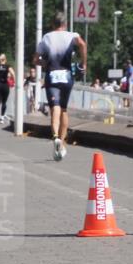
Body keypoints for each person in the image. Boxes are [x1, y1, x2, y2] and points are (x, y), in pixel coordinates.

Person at [33, 11, 86, 161]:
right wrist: (83, 63)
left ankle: (55, 136)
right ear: (65, 24)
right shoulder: (72, 35)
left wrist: (45, 63)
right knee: (63, 109)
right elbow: (82, 44)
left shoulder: (46, 37)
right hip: (67, 75)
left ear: (52, 24)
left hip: (51, 75)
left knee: (54, 108)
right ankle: (62, 143)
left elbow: (36, 60)